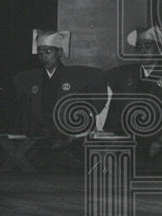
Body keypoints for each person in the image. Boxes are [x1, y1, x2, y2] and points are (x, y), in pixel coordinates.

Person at [9, 29, 107, 169]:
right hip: (41, 135)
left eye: (48, 52)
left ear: (59, 53)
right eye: (40, 53)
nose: (43, 57)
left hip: (66, 136)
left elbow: (93, 101)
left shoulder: (74, 78)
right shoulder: (33, 79)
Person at [104, 26, 162, 171]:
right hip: (130, 136)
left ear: (160, 50)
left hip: (161, 137)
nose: (142, 52)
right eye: (139, 47)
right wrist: (110, 134)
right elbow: (116, 108)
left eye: (148, 47)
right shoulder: (127, 75)